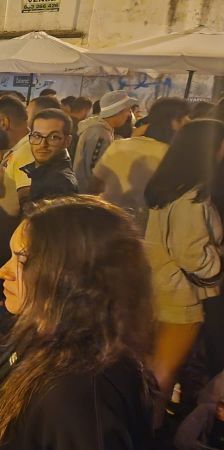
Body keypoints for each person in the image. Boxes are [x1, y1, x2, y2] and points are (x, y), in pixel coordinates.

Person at [0, 196, 154, 450]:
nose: (3, 271)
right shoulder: (46, 335)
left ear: (71, 278)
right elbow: (18, 427)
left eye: (21, 260)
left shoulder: (80, 396)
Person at [144, 119, 224, 426]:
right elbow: (190, 252)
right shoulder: (193, 198)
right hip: (181, 297)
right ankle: (148, 430)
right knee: (163, 373)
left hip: (160, 288)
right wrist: (216, 269)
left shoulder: (167, 190)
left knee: (154, 367)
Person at [91, 97, 191, 233]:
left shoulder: (119, 145)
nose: (189, 122)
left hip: (106, 222)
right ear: (174, 121)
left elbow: (94, 185)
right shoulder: (172, 157)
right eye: (186, 117)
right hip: (144, 231)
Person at [0, 96, 35, 297]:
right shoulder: (18, 151)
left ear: (4, 123)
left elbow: (29, 207)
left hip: (9, 264)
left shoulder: (26, 153)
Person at [73, 90, 137, 193]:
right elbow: (93, 170)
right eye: (128, 111)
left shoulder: (104, 129)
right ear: (118, 111)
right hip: (86, 195)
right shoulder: (98, 133)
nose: (129, 115)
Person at [20, 109, 78, 202]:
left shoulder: (60, 183)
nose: (43, 144)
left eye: (53, 137)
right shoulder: (40, 173)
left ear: (67, 141)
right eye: (37, 136)